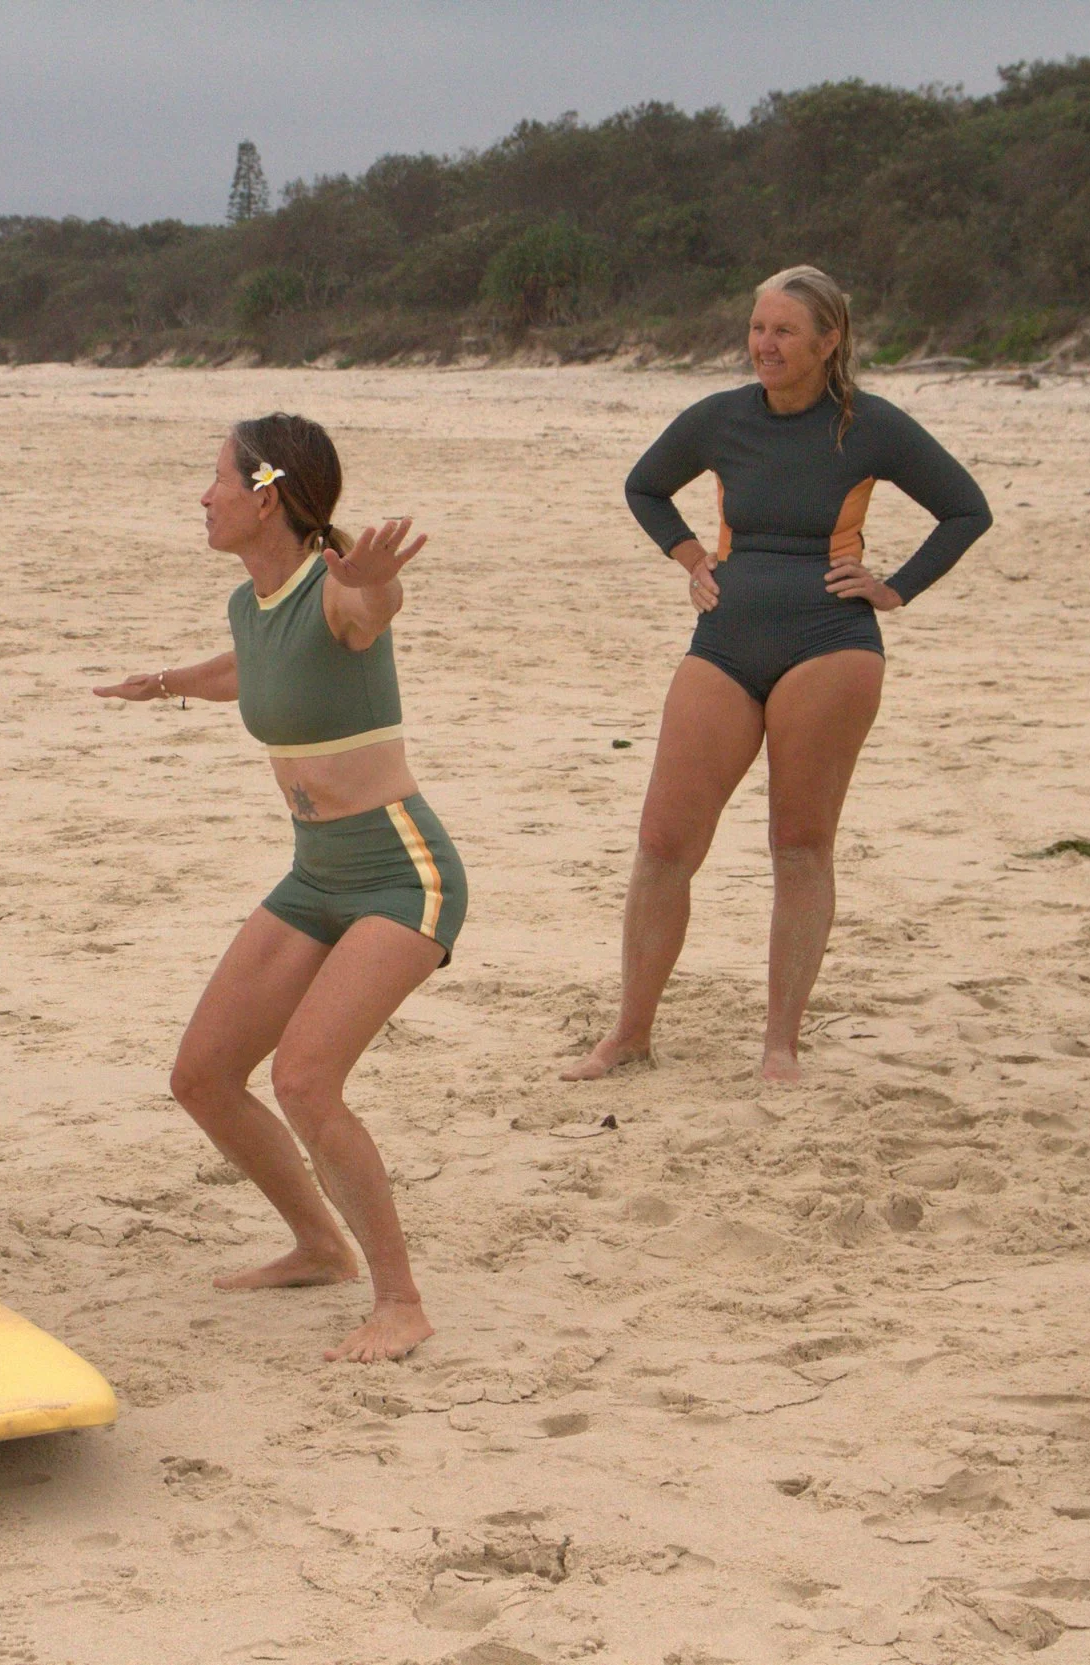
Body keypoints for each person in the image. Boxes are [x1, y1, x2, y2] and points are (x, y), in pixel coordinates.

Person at [566, 265, 991, 1083]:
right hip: (725, 641)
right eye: (759, 328)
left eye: (784, 331)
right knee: (663, 843)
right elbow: (645, 486)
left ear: (829, 342)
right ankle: (629, 1032)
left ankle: (780, 1045)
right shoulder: (722, 418)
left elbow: (966, 508)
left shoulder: (868, 426)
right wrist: (691, 557)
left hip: (831, 643)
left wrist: (894, 588)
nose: (765, 344)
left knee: (798, 845)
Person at [95, 413, 461, 1363]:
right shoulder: (246, 603)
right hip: (315, 875)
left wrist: (378, 584)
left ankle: (401, 1300)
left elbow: (360, 617)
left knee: (303, 1078)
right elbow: (248, 669)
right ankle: (316, 1244)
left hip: (398, 871)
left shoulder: (333, 591)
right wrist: (165, 683)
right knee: (204, 1076)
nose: (203, 496)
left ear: (264, 497)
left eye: (216, 480)